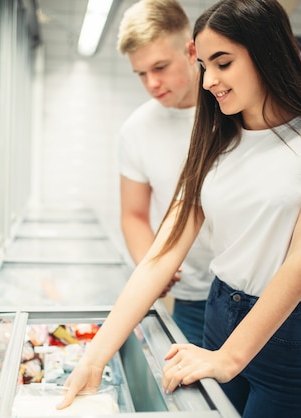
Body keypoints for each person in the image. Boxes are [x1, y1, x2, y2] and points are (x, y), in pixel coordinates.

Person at [58, 0, 301, 416]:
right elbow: (159, 257)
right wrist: (94, 358)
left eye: (223, 63)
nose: (209, 81)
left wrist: (228, 357)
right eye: (205, 66)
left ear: (267, 53)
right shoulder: (216, 142)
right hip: (217, 314)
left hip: (285, 337)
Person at [116, 0, 213, 347]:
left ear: (191, 51)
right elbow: (133, 215)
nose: (152, 83)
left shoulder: (232, 107)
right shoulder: (136, 129)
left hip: (260, 293)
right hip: (191, 301)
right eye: (141, 73)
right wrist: (154, 266)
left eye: (160, 66)